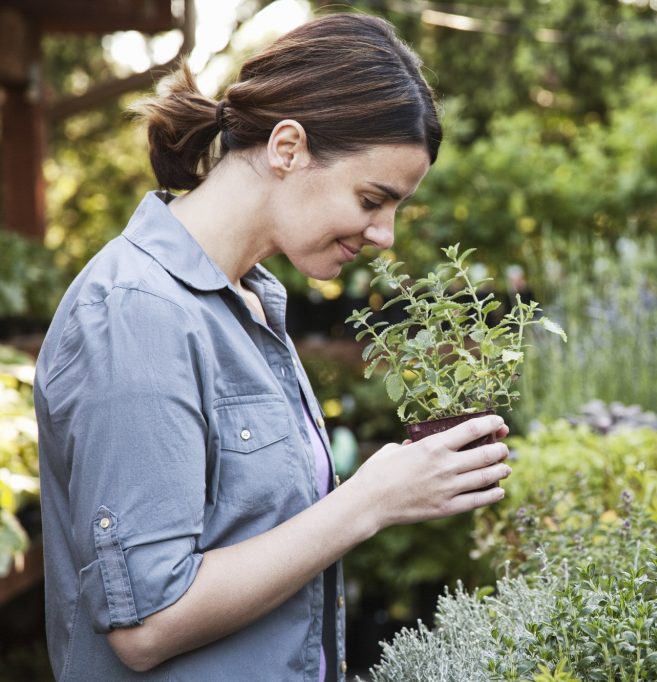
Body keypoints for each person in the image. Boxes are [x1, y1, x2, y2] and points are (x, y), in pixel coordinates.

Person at [33, 12, 511, 681]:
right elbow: (146, 624)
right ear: (287, 148)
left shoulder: (251, 305)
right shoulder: (137, 314)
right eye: (373, 199)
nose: (385, 236)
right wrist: (368, 502)